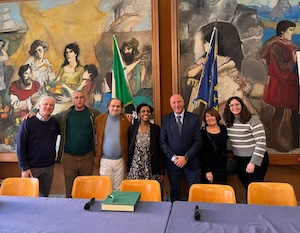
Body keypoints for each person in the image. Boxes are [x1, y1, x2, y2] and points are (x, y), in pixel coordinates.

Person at [23, 90, 101, 198]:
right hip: (69, 158)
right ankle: (70, 210)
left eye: (81, 97)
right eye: (76, 98)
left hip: (87, 157)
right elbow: (46, 115)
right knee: (69, 188)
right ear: (72, 100)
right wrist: (34, 113)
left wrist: (125, 116)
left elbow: (106, 119)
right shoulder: (64, 115)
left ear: (85, 99)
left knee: (86, 187)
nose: (79, 100)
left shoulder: (93, 113)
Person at [259, 20, 299, 152]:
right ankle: (274, 141)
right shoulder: (275, 46)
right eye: (290, 30)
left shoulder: (291, 45)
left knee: (294, 112)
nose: (292, 33)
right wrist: (293, 61)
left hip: (291, 84)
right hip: (281, 84)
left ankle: (295, 141)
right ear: (282, 31)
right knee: (279, 112)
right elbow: (282, 66)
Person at [160, 94, 202, 201]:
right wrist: (174, 158)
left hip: (192, 162)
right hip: (173, 163)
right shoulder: (166, 119)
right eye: (174, 102)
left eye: (179, 102)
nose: (177, 104)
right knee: (175, 191)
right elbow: (163, 142)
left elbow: (198, 141)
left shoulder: (194, 118)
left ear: (183, 103)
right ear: (170, 105)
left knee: (196, 191)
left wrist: (186, 157)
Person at [16, 96, 60, 197]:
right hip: (31, 168)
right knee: (28, 198)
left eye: (51, 105)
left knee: (44, 198)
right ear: (39, 106)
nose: (48, 107)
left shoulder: (54, 123)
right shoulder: (28, 122)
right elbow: (20, 147)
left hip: (48, 168)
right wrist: (24, 168)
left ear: (53, 108)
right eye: (45, 104)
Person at [223, 96, 269, 188]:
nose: (234, 107)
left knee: (253, 189)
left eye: (237, 104)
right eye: (231, 105)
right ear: (228, 108)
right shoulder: (228, 122)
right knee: (248, 187)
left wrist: (253, 162)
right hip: (239, 160)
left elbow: (261, 142)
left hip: (254, 159)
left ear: (242, 105)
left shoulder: (253, 120)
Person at [94, 98, 131, 191]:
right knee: (105, 188)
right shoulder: (99, 119)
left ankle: (116, 206)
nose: (115, 108)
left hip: (120, 161)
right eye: (113, 106)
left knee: (118, 189)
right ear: (108, 107)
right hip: (105, 160)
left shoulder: (126, 121)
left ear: (121, 108)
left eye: (118, 106)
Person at [127, 103, 164, 183]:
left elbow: (160, 151)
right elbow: (128, 148)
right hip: (135, 166)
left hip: (151, 166)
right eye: (143, 111)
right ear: (139, 114)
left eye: (148, 111)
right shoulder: (132, 129)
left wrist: (161, 171)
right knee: (136, 190)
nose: (146, 113)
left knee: (150, 191)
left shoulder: (156, 129)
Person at [201, 108, 227, 184]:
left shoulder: (223, 129)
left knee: (222, 191)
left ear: (216, 116)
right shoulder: (202, 132)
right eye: (207, 116)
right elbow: (203, 153)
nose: (210, 118)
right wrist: (207, 170)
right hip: (209, 167)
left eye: (212, 115)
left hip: (222, 166)